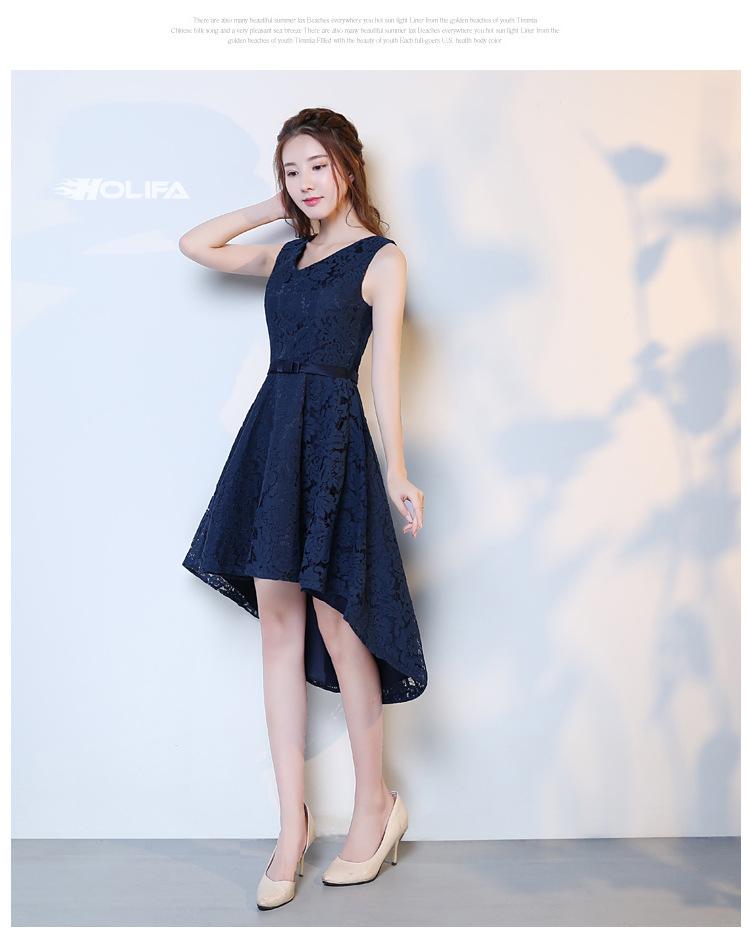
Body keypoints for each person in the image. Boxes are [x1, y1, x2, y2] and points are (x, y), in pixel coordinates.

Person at [179, 107, 428, 910]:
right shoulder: (287, 255)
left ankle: (375, 806)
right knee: (279, 627)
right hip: (271, 439)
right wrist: (276, 205)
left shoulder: (380, 259)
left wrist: (398, 470)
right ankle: (293, 825)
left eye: (318, 166)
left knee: (340, 626)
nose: (307, 182)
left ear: (348, 166)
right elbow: (197, 244)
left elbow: (384, 377)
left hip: (332, 444)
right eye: (292, 170)